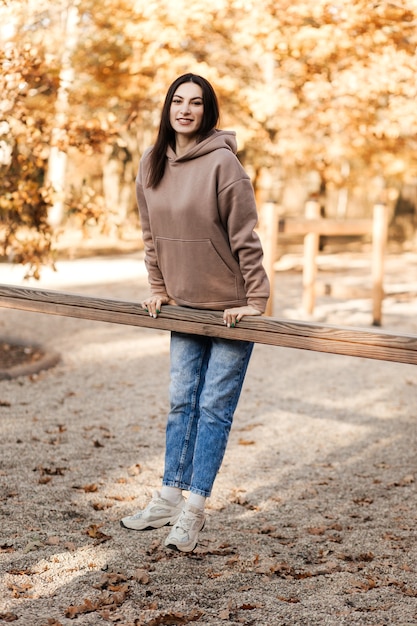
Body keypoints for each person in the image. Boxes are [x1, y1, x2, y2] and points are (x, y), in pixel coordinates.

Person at [120, 73, 270, 552]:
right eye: (178, 101)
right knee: (181, 402)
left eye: (197, 103)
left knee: (212, 409)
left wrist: (255, 301)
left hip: (230, 309)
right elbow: (151, 236)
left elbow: (246, 237)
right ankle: (167, 498)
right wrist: (159, 289)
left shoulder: (224, 165)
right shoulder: (150, 163)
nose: (185, 110)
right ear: (168, 108)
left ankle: (194, 510)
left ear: (208, 112)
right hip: (183, 306)